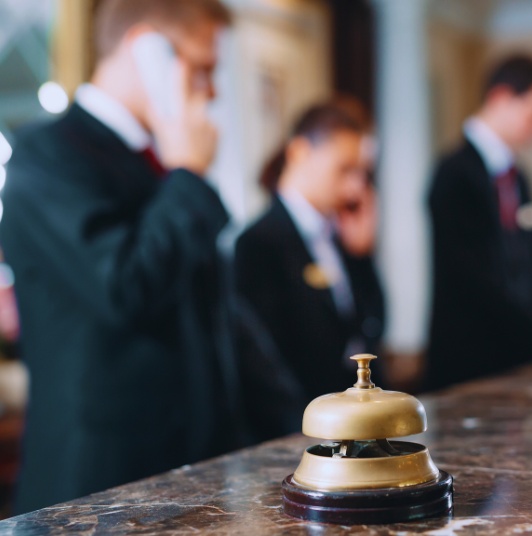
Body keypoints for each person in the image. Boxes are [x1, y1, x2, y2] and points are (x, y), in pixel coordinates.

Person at [0, 0, 237, 513]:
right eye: (202, 69)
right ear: (144, 49)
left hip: (189, 470)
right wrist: (190, 178)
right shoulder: (47, 156)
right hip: (97, 486)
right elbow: (126, 289)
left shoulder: (163, 162)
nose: (212, 91)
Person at [426, 55, 532, 391]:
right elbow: (476, 282)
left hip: (520, 361)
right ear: (501, 98)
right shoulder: (454, 175)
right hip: (470, 365)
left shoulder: (519, 180)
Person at [235, 101, 385, 405]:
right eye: (345, 170)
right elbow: (265, 362)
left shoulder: (341, 234)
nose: (356, 188)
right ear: (300, 153)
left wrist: (362, 256)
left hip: (353, 414)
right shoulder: (257, 243)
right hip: (303, 422)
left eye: (362, 173)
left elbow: (371, 330)